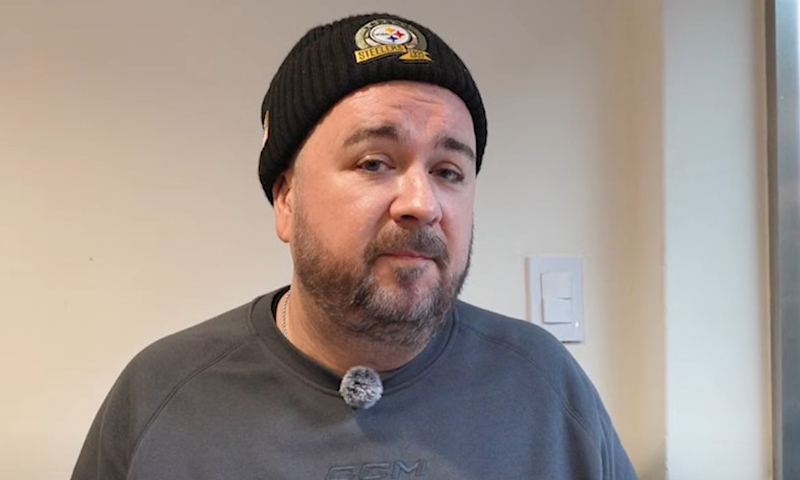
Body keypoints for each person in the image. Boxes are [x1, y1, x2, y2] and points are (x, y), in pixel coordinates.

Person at [72, 13, 639, 480]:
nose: (422, 203)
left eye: (448, 171)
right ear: (287, 199)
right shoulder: (162, 400)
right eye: (374, 163)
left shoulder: (545, 389)